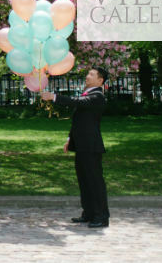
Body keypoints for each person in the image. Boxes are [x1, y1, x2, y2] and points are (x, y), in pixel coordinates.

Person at [41, 67, 110, 228]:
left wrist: (54, 97)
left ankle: (101, 216)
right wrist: (70, 138)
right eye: (88, 74)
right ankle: (88, 213)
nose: (87, 76)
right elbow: (79, 119)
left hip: (91, 147)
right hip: (82, 145)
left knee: (94, 182)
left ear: (100, 81)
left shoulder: (97, 96)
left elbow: (78, 103)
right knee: (84, 181)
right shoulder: (88, 94)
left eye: (92, 75)